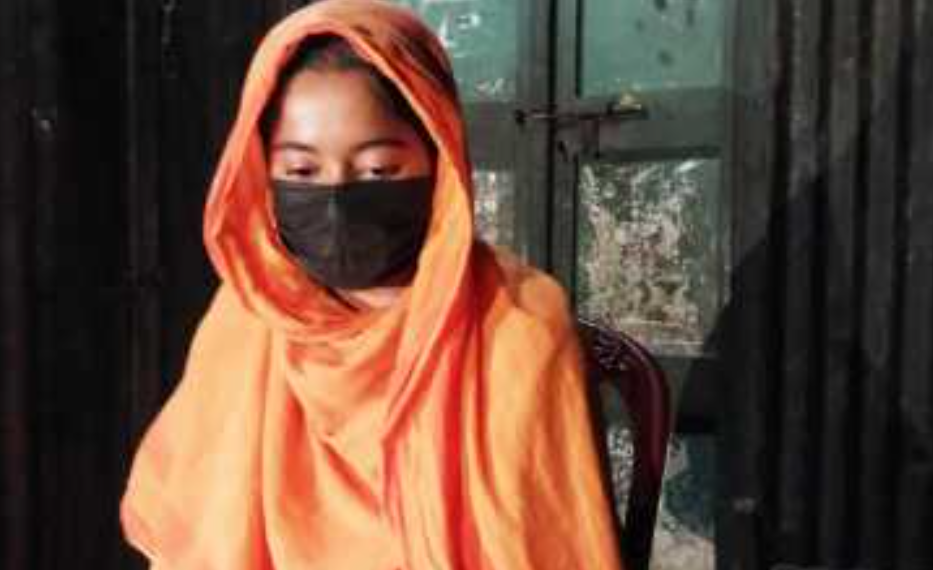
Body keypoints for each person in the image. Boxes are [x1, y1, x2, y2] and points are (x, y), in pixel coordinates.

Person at [120, 1, 625, 568]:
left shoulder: (517, 326)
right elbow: (195, 535)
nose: (337, 196)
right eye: (301, 171)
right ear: (262, 169)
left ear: (439, 152)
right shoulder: (247, 318)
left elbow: (540, 547)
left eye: (378, 170)